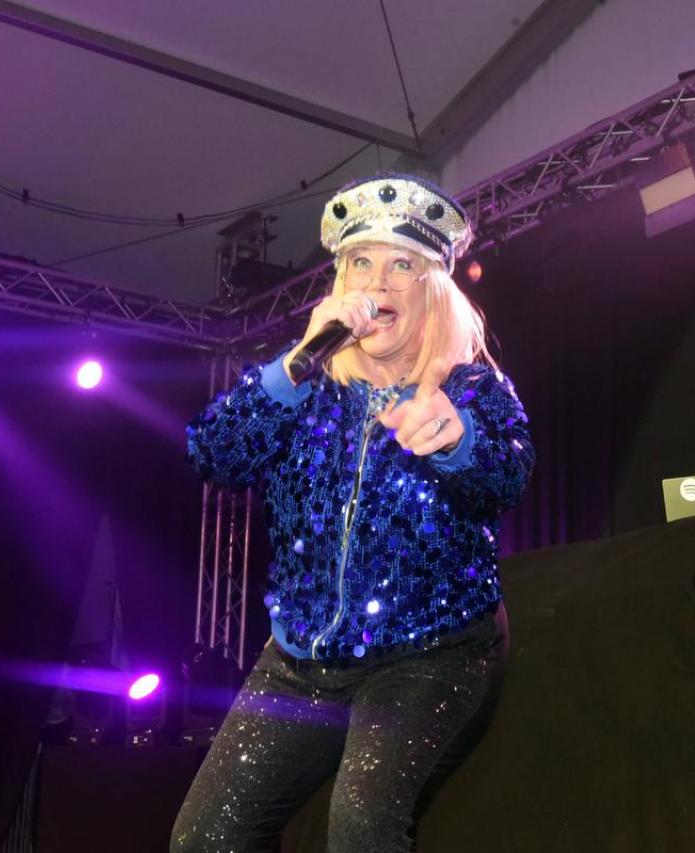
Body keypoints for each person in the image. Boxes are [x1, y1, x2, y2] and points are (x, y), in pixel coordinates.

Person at [171, 174, 534, 853]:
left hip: (430, 654)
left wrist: (455, 441)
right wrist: (295, 365)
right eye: (361, 262)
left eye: (402, 265)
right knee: (203, 839)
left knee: (361, 824)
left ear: (432, 287)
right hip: (300, 660)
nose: (379, 281)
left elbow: (506, 478)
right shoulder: (304, 388)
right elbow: (213, 452)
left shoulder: (472, 387)